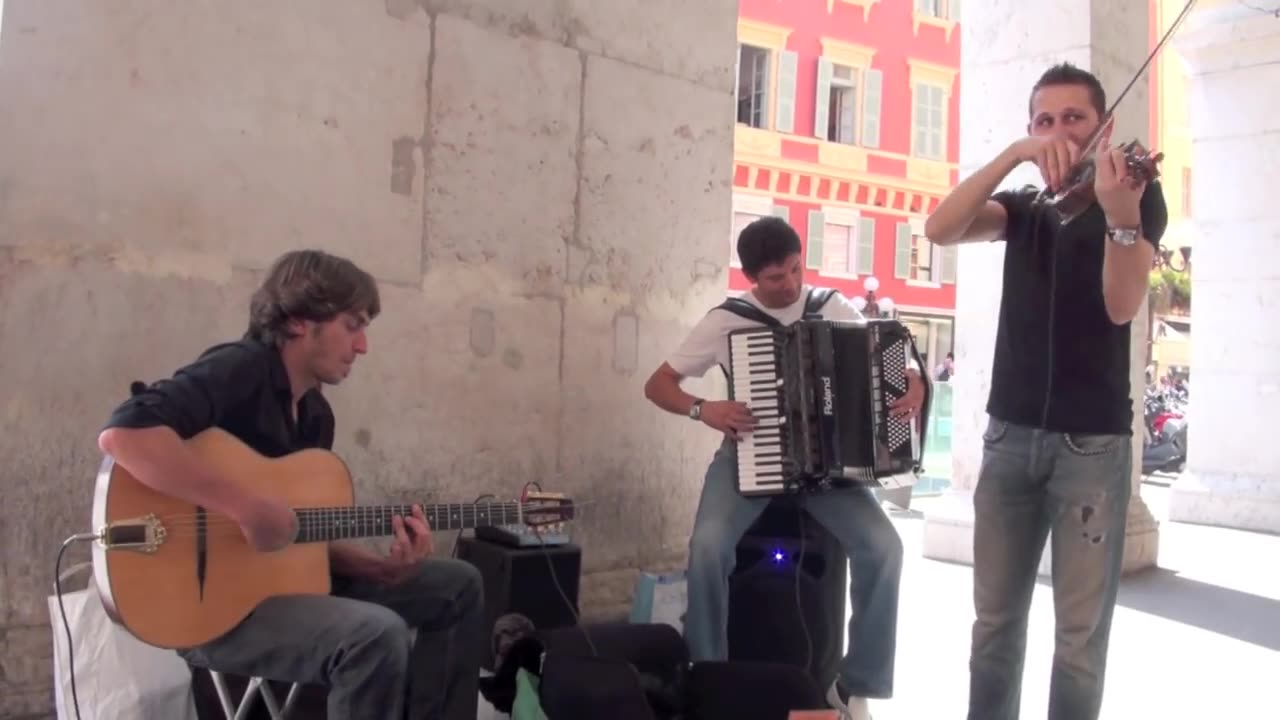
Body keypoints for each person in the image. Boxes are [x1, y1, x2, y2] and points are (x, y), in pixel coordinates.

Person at [96, 249, 484, 720]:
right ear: (302, 319)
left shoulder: (316, 416)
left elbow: (298, 539)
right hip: (209, 611)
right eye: (353, 324)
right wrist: (243, 506)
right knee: (374, 635)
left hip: (281, 594)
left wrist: (381, 569)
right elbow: (126, 434)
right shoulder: (240, 369)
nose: (362, 346)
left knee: (459, 584)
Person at [924, 62, 1168, 720]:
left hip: (1092, 447)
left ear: (1105, 127)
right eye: (1044, 121)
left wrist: (1121, 217)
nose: (1058, 132)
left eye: (1074, 119)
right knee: (993, 630)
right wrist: (1012, 155)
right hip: (1010, 438)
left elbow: (1121, 307)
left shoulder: (1135, 197)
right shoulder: (1027, 211)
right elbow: (940, 228)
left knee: (1080, 642)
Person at [642, 216, 926, 720]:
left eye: (796, 269)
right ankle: (708, 674)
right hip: (747, 454)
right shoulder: (726, 320)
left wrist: (914, 382)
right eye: (777, 278)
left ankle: (856, 684)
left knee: (884, 548)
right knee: (708, 548)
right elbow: (657, 384)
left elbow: (882, 365)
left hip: (826, 469)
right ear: (752, 277)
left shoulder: (831, 307)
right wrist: (703, 409)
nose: (791, 284)